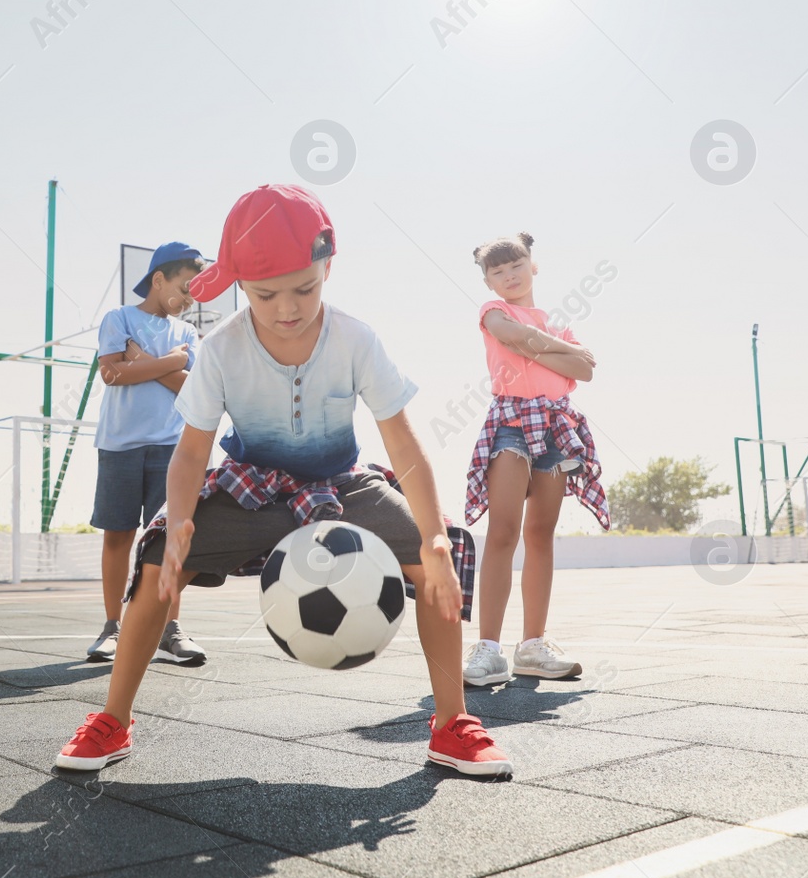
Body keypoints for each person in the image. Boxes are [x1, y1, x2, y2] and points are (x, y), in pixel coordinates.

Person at [54, 185, 512, 777]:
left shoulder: (355, 338)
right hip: (251, 485)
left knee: (433, 561)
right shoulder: (219, 349)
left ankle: (452, 723)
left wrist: (435, 538)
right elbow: (192, 452)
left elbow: (402, 441)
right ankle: (113, 720)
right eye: (266, 294)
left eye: (305, 288)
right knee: (156, 564)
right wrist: (182, 521)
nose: (287, 307)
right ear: (241, 285)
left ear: (328, 267)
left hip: (340, 484)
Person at [462, 233, 608, 687]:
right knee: (503, 531)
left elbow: (585, 370)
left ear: (533, 266)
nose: (508, 275)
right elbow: (516, 338)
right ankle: (488, 649)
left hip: (556, 426)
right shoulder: (493, 312)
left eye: (516, 265)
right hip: (510, 421)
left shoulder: (555, 322)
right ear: (487, 280)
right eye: (497, 271)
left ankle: (532, 645)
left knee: (540, 534)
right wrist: (561, 351)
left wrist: (550, 349)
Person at [86, 242, 210, 666]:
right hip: (119, 444)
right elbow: (112, 373)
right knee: (118, 535)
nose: (190, 298)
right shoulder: (118, 318)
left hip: (172, 449)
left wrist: (142, 358)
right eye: (184, 288)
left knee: (168, 538)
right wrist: (165, 363)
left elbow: (190, 389)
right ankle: (112, 628)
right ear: (159, 280)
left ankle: (169, 629)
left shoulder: (189, 334)